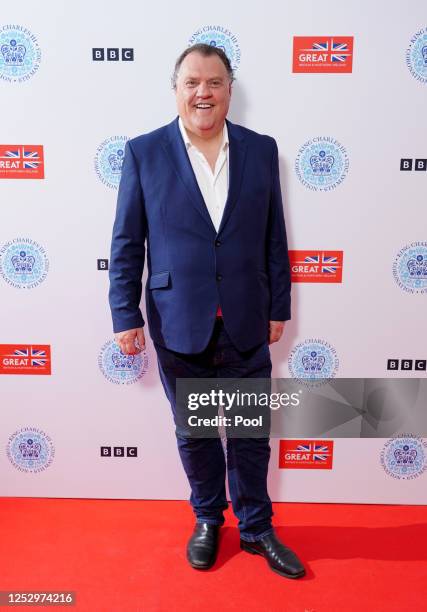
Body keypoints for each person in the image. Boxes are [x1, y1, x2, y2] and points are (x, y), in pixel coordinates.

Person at [108, 43, 305, 579]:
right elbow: (127, 242)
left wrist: (278, 304)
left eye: (214, 82)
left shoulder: (261, 150)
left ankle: (257, 527)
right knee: (195, 432)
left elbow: (273, 236)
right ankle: (206, 519)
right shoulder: (145, 152)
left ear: (229, 91)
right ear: (176, 89)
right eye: (192, 82)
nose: (203, 92)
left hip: (245, 318)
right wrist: (124, 313)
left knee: (247, 432)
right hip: (179, 323)